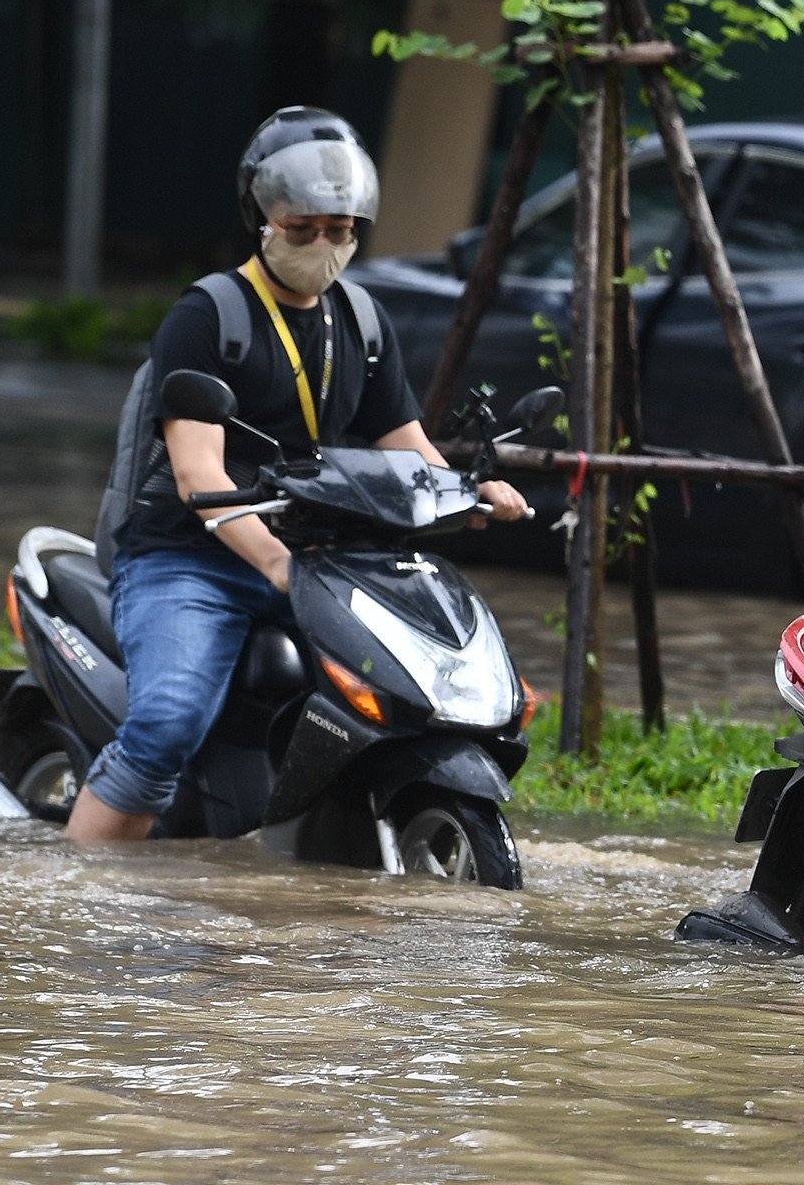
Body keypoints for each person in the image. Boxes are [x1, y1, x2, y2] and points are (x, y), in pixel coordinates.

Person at [66, 107, 529, 843]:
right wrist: (280, 566)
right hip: (189, 559)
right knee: (167, 724)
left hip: (316, 559)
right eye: (302, 227)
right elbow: (197, 476)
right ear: (262, 218)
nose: (322, 244)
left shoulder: (363, 321)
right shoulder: (208, 315)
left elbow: (404, 440)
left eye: (338, 230)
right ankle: (74, 899)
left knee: (416, 689)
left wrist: (467, 492)